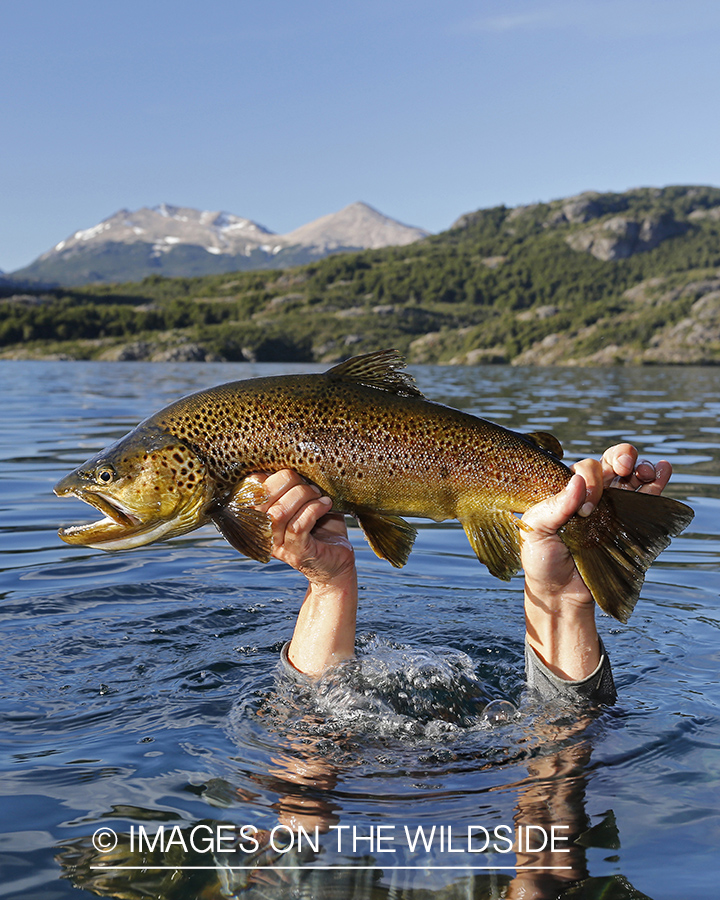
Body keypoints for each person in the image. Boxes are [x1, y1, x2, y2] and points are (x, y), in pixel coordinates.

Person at [251, 443, 673, 704]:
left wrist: (563, 599)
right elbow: (569, 739)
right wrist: (330, 583)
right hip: (515, 781)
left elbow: (307, 739)